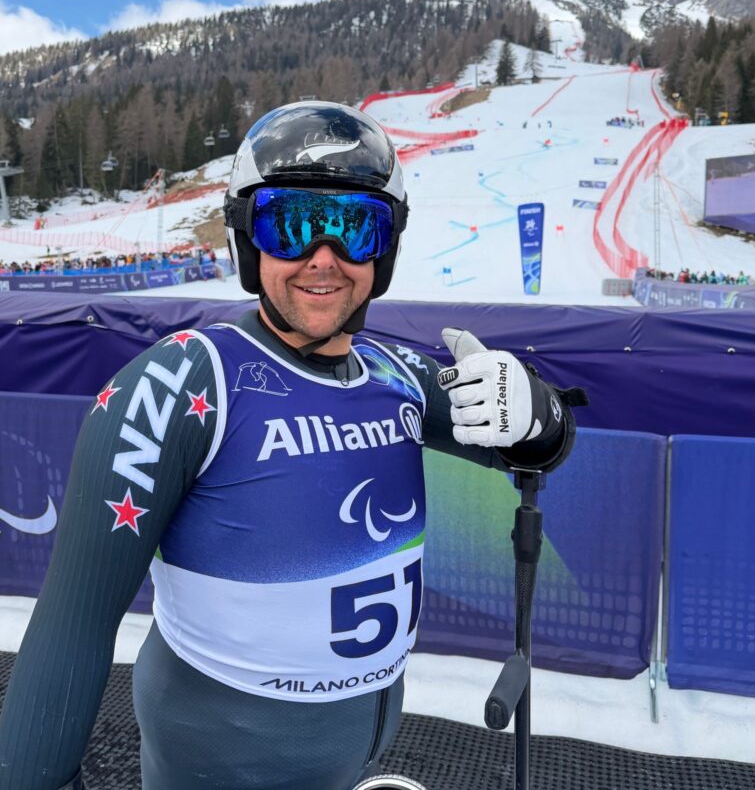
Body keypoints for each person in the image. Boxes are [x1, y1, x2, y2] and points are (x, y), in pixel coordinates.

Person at [0, 101, 582, 790]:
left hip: (359, 764)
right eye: (292, 225)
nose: (324, 259)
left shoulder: (396, 376)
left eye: (355, 228)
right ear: (248, 240)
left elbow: (533, 451)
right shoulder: (182, 383)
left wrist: (539, 412)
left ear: (386, 250)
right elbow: (73, 626)